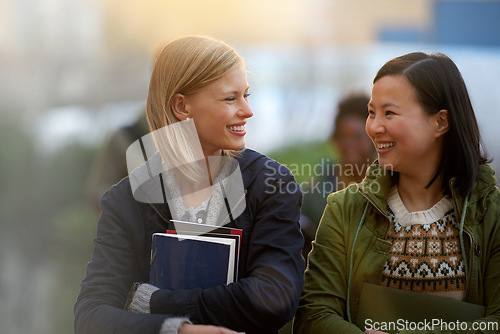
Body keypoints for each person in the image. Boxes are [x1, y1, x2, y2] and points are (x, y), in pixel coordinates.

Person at [74, 36, 305, 334]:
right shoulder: (124, 200)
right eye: (230, 98)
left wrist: (153, 303)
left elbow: (275, 297)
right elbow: (91, 316)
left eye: (247, 95)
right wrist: (178, 330)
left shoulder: (270, 183)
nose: (248, 111)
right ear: (182, 106)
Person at [293, 52, 500, 333]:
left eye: (389, 113)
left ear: (440, 122)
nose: (374, 128)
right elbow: (313, 315)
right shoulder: (345, 208)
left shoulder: (492, 215)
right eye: (371, 112)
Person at [299, 93, 375, 257]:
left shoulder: (387, 177)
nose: (349, 145)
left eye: (357, 137)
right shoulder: (324, 179)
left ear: (373, 138)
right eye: (343, 137)